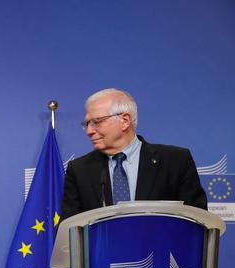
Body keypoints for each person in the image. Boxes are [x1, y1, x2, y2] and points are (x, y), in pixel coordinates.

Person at [61, 88, 207, 220]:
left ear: (125, 121)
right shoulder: (79, 169)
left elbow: (197, 220)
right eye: (86, 124)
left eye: (97, 122)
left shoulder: (176, 161)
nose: (89, 131)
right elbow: (69, 229)